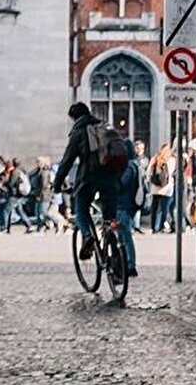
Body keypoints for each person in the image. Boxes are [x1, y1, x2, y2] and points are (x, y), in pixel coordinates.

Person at [54, 102, 107, 257]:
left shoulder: (79, 132)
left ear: (73, 117)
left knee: (81, 209)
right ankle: (118, 256)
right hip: (111, 176)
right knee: (110, 215)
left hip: (90, 177)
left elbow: (67, 161)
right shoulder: (103, 127)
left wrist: (57, 184)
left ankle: (87, 236)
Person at [114, 139, 139, 278]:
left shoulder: (129, 166)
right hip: (125, 204)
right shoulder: (133, 165)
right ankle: (126, 263)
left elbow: (122, 183)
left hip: (124, 204)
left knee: (126, 236)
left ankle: (130, 265)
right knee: (123, 236)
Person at [149, 145, 174, 233]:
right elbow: (171, 174)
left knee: (155, 209)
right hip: (166, 188)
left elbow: (148, 172)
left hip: (156, 188)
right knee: (164, 209)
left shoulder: (155, 158)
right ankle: (160, 227)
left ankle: (154, 227)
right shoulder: (171, 160)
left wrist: (151, 181)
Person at [131, 141, 150, 232]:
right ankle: (134, 225)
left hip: (140, 186)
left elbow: (145, 173)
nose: (139, 151)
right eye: (138, 148)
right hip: (133, 186)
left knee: (138, 206)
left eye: (141, 149)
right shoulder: (132, 159)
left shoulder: (145, 160)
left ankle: (136, 225)